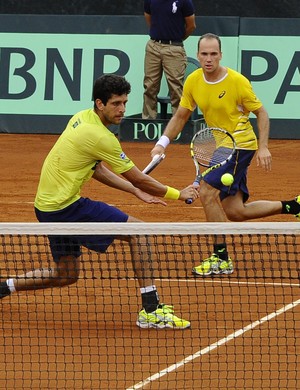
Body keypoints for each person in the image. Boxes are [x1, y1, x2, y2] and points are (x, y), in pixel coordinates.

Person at [0, 74, 199, 329]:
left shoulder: (82, 117)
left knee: (65, 275)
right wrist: (178, 194)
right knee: (140, 233)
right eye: (116, 103)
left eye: (125, 102)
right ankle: (150, 309)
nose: (123, 109)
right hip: (66, 207)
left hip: (48, 207)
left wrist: (132, 190)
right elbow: (141, 178)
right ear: (100, 103)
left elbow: (97, 168)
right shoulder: (99, 136)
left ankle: (4, 286)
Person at [151, 32, 300, 276]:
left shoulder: (237, 81)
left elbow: (261, 113)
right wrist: (162, 143)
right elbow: (181, 115)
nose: (208, 59)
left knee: (207, 193)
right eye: (204, 54)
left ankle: (221, 258)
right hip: (222, 147)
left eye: (213, 54)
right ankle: (293, 206)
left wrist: (263, 147)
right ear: (197, 55)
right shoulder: (193, 81)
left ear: (220, 55)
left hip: (241, 145)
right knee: (235, 211)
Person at [142, 0, 196, 119]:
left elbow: (191, 25)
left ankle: (179, 123)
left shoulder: (184, 1)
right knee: (149, 86)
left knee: (176, 88)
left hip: (175, 48)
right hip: (153, 46)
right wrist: (159, 34)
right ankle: (148, 121)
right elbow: (148, 16)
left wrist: (176, 38)